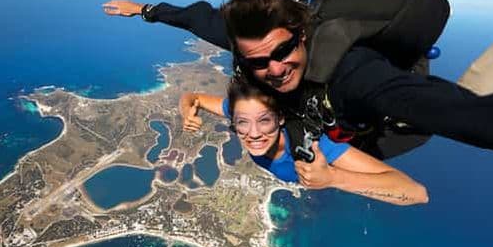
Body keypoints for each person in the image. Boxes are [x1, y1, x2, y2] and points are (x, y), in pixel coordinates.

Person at [103, 0, 493, 163]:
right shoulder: (247, 44)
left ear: (303, 35)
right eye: (259, 62)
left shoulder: (352, 76)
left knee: (454, 104)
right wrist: (145, 10)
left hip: (386, 117)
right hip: (342, 118)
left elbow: (467, 115)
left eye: (283, 51)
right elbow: (199, 18)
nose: (274, 68)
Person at [179, 77, 428, 206]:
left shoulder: (315, 147)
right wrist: (186, 112)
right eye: (242, 122)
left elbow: (416, 193)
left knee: (422, 122)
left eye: (264, 121)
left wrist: (333, 178)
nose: (253, 133)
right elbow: (192, 97)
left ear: (281, 119)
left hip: (378, 137)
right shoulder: (244, 110)